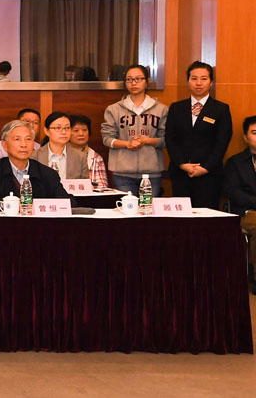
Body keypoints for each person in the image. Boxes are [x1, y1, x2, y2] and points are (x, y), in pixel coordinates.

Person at [166, 61, 232, 208]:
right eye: (194, 78)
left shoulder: (221, 109)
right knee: (181, 216)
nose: (198, 83)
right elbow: (170, 139)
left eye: (204, 78)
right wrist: (183, 164)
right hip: (181, 173)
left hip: (209, 175)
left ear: (211, 82)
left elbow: (222, 142)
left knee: (206, 217)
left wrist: (205, 168)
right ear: (188, 81)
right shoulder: (176, 108)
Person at [0, 120, 73, 210]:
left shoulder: (47, 173)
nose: (24, 144)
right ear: (5, 145)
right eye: (17, 139)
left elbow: (69, 202)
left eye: (28, 139)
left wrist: (38, 205)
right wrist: (8, 204)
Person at [102, 64, 168, 196]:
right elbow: (107, 139)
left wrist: (146, 141)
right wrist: (128, 144)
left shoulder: (161, 109)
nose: (133, 83)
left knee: (148, 207)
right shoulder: (114, 109)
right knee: (127, 208)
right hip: (122, 173)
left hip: (151, 173)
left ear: (146, 81)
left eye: (138, 79)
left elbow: (166, 140)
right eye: (129, 79)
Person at [223, 116, 256, 288]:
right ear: (245, 137)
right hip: (247, 212)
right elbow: (232, 191)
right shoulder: (235, 162)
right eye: (255, 132)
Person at [35, 112, 89, 181]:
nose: (64, 132)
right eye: (58, 128)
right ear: (47, 131)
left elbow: (84, 184)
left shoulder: (80, 157)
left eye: (67, 128)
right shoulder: (35, 156)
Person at [68, 113, 109, 190]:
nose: (81, 134)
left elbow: (102, 187)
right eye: (76, 130)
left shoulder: (96, 158)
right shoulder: (61, 154)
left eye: (84, 130)